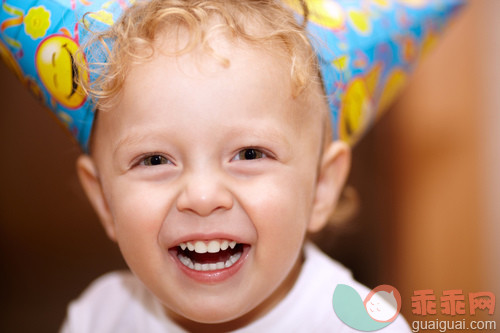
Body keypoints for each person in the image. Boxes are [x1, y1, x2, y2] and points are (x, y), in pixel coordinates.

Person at [60, 0, 413, 331]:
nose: (201, 196)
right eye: (154, 160)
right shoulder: (98, 317)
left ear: (322, 186)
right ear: (104, 200)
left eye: (249, 154)